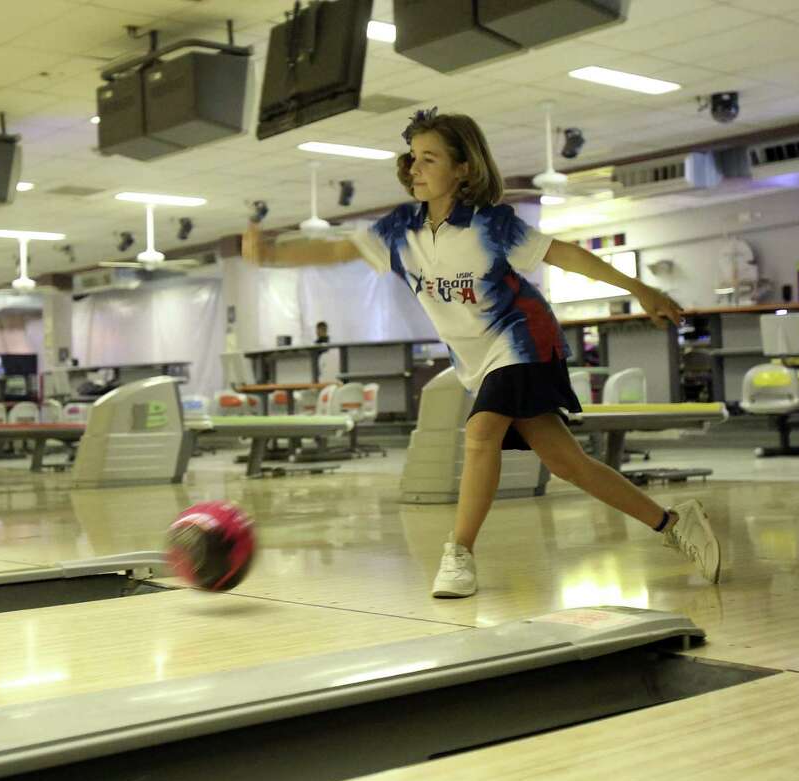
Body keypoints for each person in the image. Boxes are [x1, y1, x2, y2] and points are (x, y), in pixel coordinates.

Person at [242, 109, 721, 597]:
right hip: (475, 356)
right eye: (413, 158)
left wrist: (637, 287)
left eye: (430, 158)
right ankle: (674, 524)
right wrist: (271, 255)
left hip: (523, 337)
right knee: (566, 462)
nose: (416, 168)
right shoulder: (399, 229)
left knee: (481, 431)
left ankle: (459, 553)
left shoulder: (492, 224)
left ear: (463, 168)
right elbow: (336, 252)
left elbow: (565, 254)